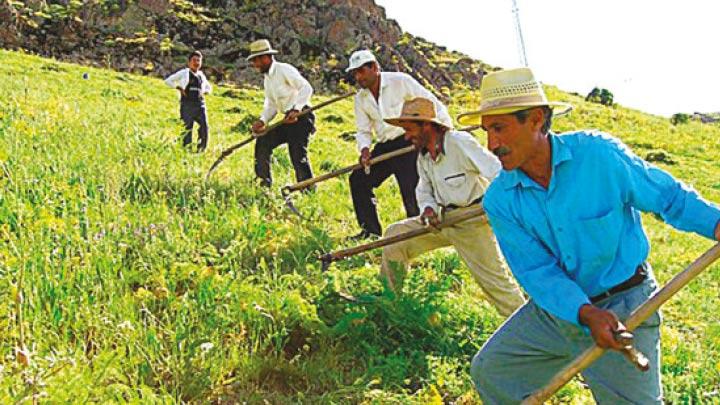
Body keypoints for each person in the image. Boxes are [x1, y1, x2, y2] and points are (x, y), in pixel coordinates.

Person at [457, 67, 720, 403]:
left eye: (499, 129)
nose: (492, 144)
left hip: (626, 306)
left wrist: (715, 223)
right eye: (486, 132)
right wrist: (585, 313)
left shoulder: (599, 157)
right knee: (493, 370)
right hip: (558, 312)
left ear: (536, 119)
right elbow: (538, 272)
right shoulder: (501, 200)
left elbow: (669, 198)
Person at [379, 97, 525, 316]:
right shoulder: (424, 157)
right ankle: (389, 305)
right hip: (442, 218)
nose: (407, 136)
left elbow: (496, 172)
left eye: (410, 129)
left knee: (496, 284)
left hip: (472, 220)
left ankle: (531, 328)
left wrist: (500, 202)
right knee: (395, 237)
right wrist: (428, 209)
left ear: (427, 125)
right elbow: (424, 190)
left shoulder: (458, 142)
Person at [345, 50, 452, 239]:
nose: (358, 77)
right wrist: (364, 150)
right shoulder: (360, 98)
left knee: (410, 188)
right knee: (358, 180)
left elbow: (431, 103)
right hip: (385, 145)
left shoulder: (401, 81)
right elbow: (363, 130)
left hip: (408, 142)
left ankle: (420, 232)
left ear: (375, 68)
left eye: (361, 71)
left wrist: (444, 132)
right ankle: (370, 231)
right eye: (354, 73)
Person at [247, 39, 315, 187]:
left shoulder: (284, 70)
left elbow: (306, 88)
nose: (255, 65)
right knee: (263, 142)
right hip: (287, 119)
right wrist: (263, 121)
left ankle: (307, 189)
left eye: (256, 60)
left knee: (297, 155)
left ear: (266, 57)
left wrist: (296, 109)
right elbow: (272, 104)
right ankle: (263, 184)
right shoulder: (267, 80)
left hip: (301, 116)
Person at [164, 50, 212, 151]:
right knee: (187, 128)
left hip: (200, 104)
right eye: (194, 60)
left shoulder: (201, 75)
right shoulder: (184, 73)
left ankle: (201, 149)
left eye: (199, 61)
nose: (196, 63)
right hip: (187, 104)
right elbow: (168, 80)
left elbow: (209, 87)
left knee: (204, 126)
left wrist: (205, 92)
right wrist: (179, 87)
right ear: (189, 62)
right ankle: (186, 149)